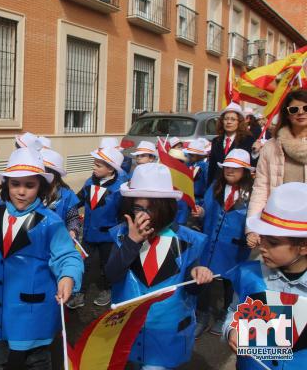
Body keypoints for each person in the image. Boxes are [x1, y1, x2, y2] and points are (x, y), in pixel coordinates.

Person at [0, 148, 83, 370]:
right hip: (0, 306)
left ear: (41, 188)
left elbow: (67, 255)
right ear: (6, 186)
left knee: (37, 359)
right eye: (15, 184)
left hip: (33, 310)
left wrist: (68, 277)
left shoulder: (50, 222)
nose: (21, 191)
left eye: (29, 185)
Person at [105, 163, 213, 369]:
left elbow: (190, 289)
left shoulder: (188, 240)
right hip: (129, 329)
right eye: (138, 208)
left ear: (167, 207)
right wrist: (131, 243)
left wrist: (199, 276)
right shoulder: (121, 234)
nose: (144, 216)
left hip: (166, 333)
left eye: (152, 208)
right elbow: (112, 274)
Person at [224, 182, 307, 370]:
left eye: (273, 242)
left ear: (303, 246)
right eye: (262, 238)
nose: (262, 247)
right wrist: (232, 329)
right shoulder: (248, 275)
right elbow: (234, 311)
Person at [192, 149, 254, 338]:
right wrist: (201, 212)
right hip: (210, 244)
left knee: (230, 283)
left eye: (236, 168)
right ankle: (202, 315)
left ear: (244, 171)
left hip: (234, 248)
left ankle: (226, 314)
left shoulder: (252, 194)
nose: (230, 171)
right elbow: (207, 210)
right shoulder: (215, 187)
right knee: (204, 281)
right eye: (227, 167)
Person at [247, 90, 307, 248]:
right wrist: (252, 228)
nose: (301, 113)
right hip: (279, 224)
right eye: (294, 109)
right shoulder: (271, 147)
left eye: (305, 108)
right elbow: (261, 189)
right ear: (287, 114)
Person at [69, 147, 125, 309]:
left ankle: (107, 289)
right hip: (88, 234)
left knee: (107, 264)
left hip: (108, 236)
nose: (94, 168)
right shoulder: (89, 182)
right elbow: (76, 201)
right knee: (83, 262)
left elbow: (123, 214)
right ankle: (79, 292)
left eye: (99, 165)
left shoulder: (119, 189)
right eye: (95, 164)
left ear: (110, 169)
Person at [207, 103, 256, 185]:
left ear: (239, 122)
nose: (229, 122)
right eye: (226, 119)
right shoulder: (216, 141)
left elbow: (252, 165)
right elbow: (212, 167)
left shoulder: (248, 140)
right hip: (218, 186)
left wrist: (256, 153)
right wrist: (209, 186)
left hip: (238, 186)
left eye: (233, 119)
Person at [40, 148, 81, 238]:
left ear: (54, 174)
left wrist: (73, 230)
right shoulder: (34, 192)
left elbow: (73, 218)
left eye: (45, 173)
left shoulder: (67, 195)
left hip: (58, 241)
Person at [183, 139, 210, 206]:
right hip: (189, 197)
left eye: (192, 155)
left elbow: (207, 183)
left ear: (200, 155)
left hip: (200, 199)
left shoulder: (205, 166)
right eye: (189, 154)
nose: (189, 157)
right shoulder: (188, 164)